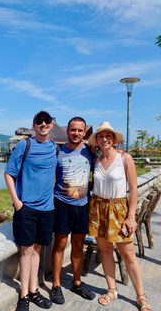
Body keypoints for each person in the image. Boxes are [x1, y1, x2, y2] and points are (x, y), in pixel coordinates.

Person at [87, 122, 153, 311]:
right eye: (101, 136)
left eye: (109, 136)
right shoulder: (96, 160)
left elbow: (133, 188)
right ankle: (111, 289)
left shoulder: (125, 158)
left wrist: (131, 216)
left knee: (128, 254)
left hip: (118, 209)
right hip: (98, 208)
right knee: (105, 250)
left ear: (114, 139)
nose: (105, 139)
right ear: (97, 140)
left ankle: (141, 296)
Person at [4, 110, 57, 311]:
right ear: (34, 125)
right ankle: (24, 296)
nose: (43, 124)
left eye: (47, 121)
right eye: (39, 121)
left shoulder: (54, 147)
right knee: (26, 251)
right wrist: (16, 202)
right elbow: (9, 173)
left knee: (37, 250)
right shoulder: (24, 145)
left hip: (47, 208)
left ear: (51, 124)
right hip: (26, 208)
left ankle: (34, 291)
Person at [49, 117, 95, 304]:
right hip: (61, 204)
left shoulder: (90, 151)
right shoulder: (57, 151)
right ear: (67, 131)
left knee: (78, 246)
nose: (76, 133)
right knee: (59, 245)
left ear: (85, 133)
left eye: (80, 130)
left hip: (83, 206)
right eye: (73, 130)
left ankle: (77, 282)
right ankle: (56, 285)